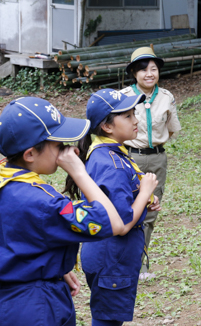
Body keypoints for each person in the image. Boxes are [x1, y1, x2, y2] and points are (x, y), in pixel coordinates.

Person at [0, 97, 127, 326]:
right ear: (29, 154)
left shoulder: (6, 180)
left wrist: (46, 264)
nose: (70, 150)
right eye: (59, 145)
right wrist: (80, 173)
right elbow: (113, 222)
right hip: (36, 308)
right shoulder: (43, 202)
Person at [65, 88, 160, 326]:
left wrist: (142, 199)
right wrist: (146, 190)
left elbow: (115, 203)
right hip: (112, 259)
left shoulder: (107, 153)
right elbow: (123, 224)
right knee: (107, 321)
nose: (135, 120)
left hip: (108, 256)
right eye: (127, 116)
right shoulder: (112, 164)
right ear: (107, 127)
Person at [121, 46, 181, 279]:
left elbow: (173, 128)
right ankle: (123, 258)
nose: (149, 74)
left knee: (150, 212)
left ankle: (140, 264)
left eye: (153, 69)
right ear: (134, 73)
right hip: (131, 157)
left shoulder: (166, 97)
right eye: (143, 69)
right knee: (127, 207)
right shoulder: (125, 96)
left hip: (157, 159)